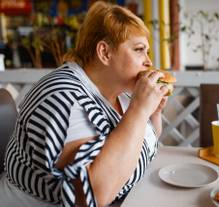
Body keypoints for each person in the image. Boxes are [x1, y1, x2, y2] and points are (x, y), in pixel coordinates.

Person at [0, 2, 169, 206]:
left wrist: (153, 114)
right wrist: (140, 111)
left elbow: (146, 141)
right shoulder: (64, 98)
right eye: (139, 50)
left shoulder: (121, 94)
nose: (149, 62)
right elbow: (94, 194)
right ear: (105, 52)